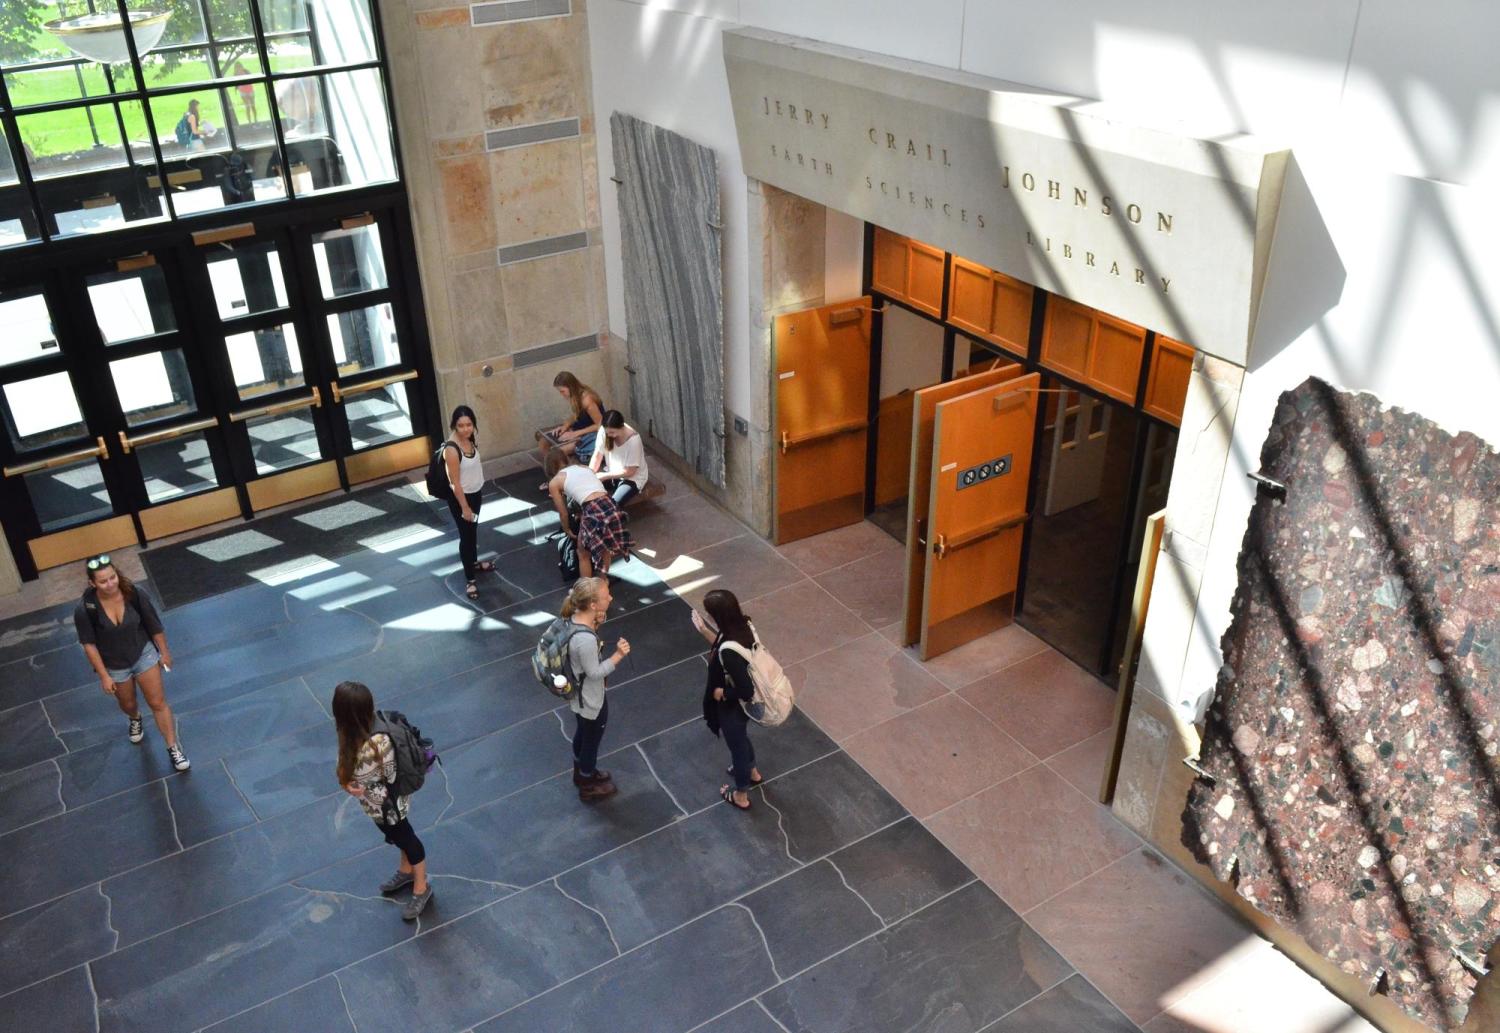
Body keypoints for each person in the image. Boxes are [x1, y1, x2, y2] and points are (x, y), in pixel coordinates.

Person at [74, 555, 190, 772]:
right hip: (114, 664)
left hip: (142, 653)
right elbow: (89, 644)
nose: (110, 584)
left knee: (158, 702)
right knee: (128, 703)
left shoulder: (134, 594)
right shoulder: (85, 609)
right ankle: (135, 717)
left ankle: (173, 748)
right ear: (93, 583)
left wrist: (164, 653)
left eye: (112, 577)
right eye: (103, 581)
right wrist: (104, 676)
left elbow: (154, 624)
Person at [333, 680, 433, 920]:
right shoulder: (357, 731)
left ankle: (421, 887)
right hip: (377, 802)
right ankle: (406, 870)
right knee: (397, 836)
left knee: (407, 839)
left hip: (389, 802)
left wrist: (355, 786)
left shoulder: (376, 743)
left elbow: (385, 778)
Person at [561, 577, 630, 802]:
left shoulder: (573, 619)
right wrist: (618, 655)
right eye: (605, 595)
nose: (610, 597)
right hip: (591, 698)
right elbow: (595, 673)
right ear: (592, 605)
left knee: (582, 732)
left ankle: (580, 772)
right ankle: (587, 783)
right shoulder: (585, 640)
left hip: (577, 696)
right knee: (591, 740)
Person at [695, 590, 762, 811]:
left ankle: (741, 794)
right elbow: (724, 644)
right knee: (741, 738)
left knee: (738, 748)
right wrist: (704, 630)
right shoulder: (742, 627)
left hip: (733, 707)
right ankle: (752, 771)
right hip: (742, 709)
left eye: (710, 614)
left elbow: (746, 690)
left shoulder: (730, 652)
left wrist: (721, 694)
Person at [546, 448, 633, 578]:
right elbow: (588, 489)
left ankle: (586, 588)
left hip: (592, 509)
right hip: (610, 504)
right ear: (565, 459)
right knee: (605, 547)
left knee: (583, 553)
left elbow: (563, 513)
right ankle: (603, 580)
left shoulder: (555, 482)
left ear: (550, 468)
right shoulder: (584, 467)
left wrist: (566, 528)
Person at [443, 405, 493, 600]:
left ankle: (473, 563)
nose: (465, 429)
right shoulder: (452, 449)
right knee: (466, 536)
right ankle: (470, 579)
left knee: (472, 532)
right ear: (455, 426)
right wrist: (465, 507)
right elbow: (455, 483)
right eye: (461, 425)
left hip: (475, 493)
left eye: (469, 424)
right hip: (462, 499)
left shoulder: (469, 439)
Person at [537, 371, 604, 464]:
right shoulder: (575, 396)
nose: (562, 394)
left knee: (557, 453)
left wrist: (575, 433)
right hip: (579, 429)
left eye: (562, 391)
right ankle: (552, 469)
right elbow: (577, 415)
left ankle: (563, 471)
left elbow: (600, 424)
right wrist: (565, 425)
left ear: (570, 387)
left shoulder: (587, 400)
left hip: (590, 435)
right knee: (543, 443)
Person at [588, 410, 650, 507]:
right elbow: (597, 456)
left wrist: (604, 476)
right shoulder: (604, 431)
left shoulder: (634, 440)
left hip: (632, 479)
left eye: (612, 432)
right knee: (588, 490)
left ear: (621, 427)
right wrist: (590, 474)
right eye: (607, 432)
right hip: (612, 472)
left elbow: (630, 472)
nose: (609, 435)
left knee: (613, 504)